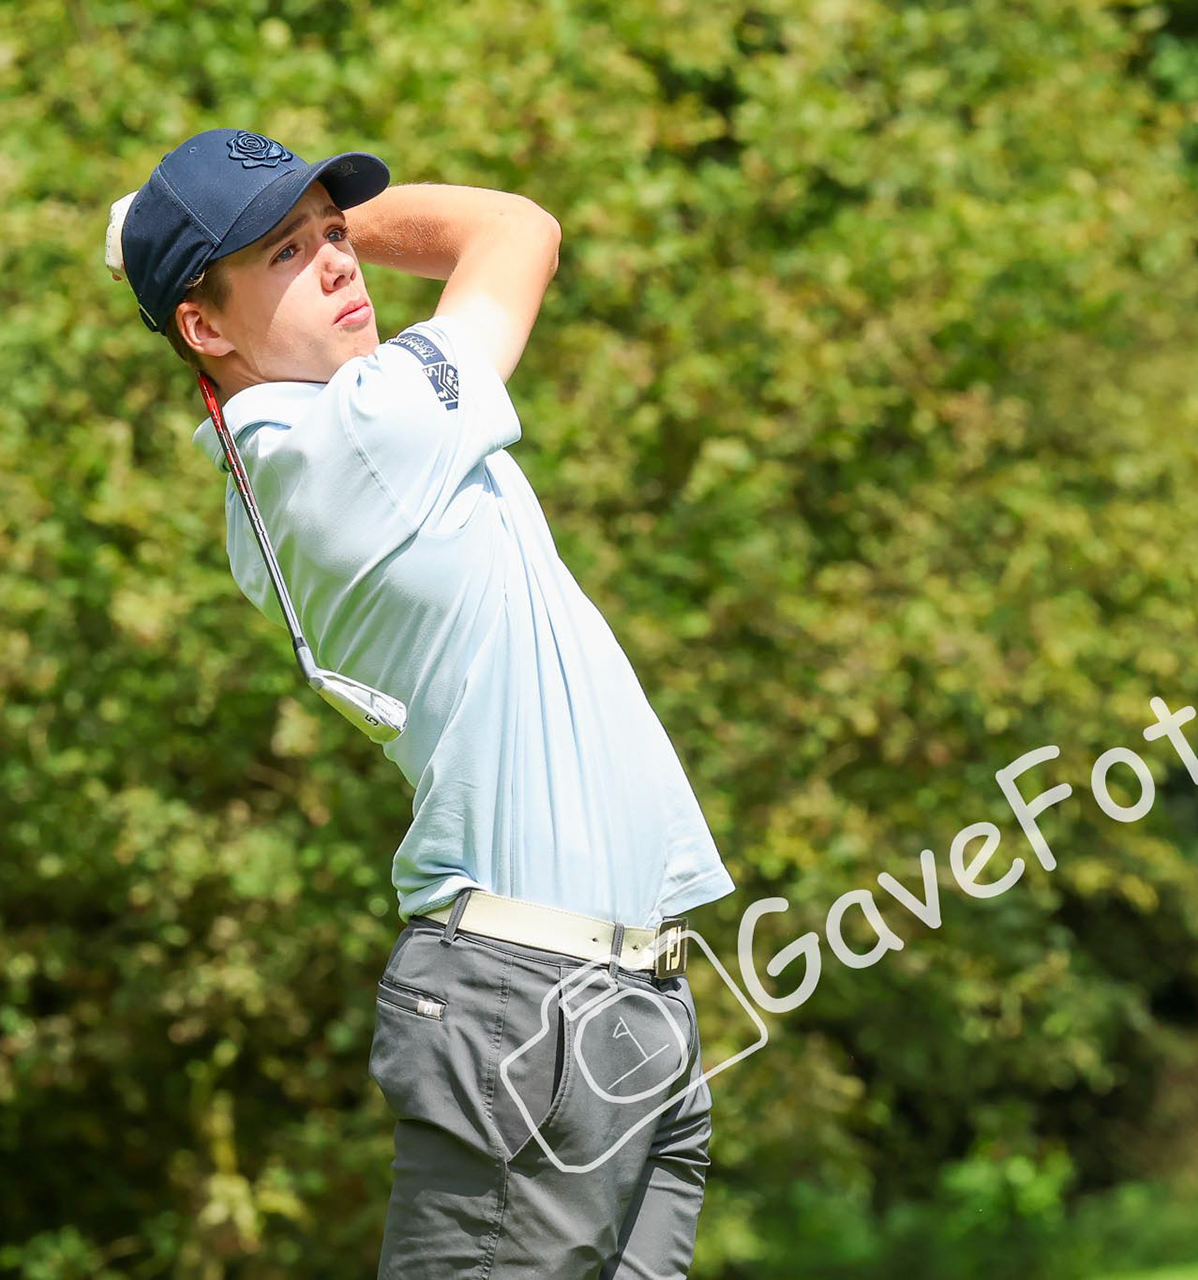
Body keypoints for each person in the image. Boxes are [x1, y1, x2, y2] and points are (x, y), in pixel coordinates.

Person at [106, 128, 736, 1277]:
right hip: (531, 1010)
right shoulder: (360, 433)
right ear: (205, 329)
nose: (340, 262)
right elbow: (515, 229)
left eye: (336, 232)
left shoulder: (319, 441)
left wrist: (257, 235)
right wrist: (337, 217)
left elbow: (449, 252)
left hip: (622, 1003)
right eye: (288, 252)